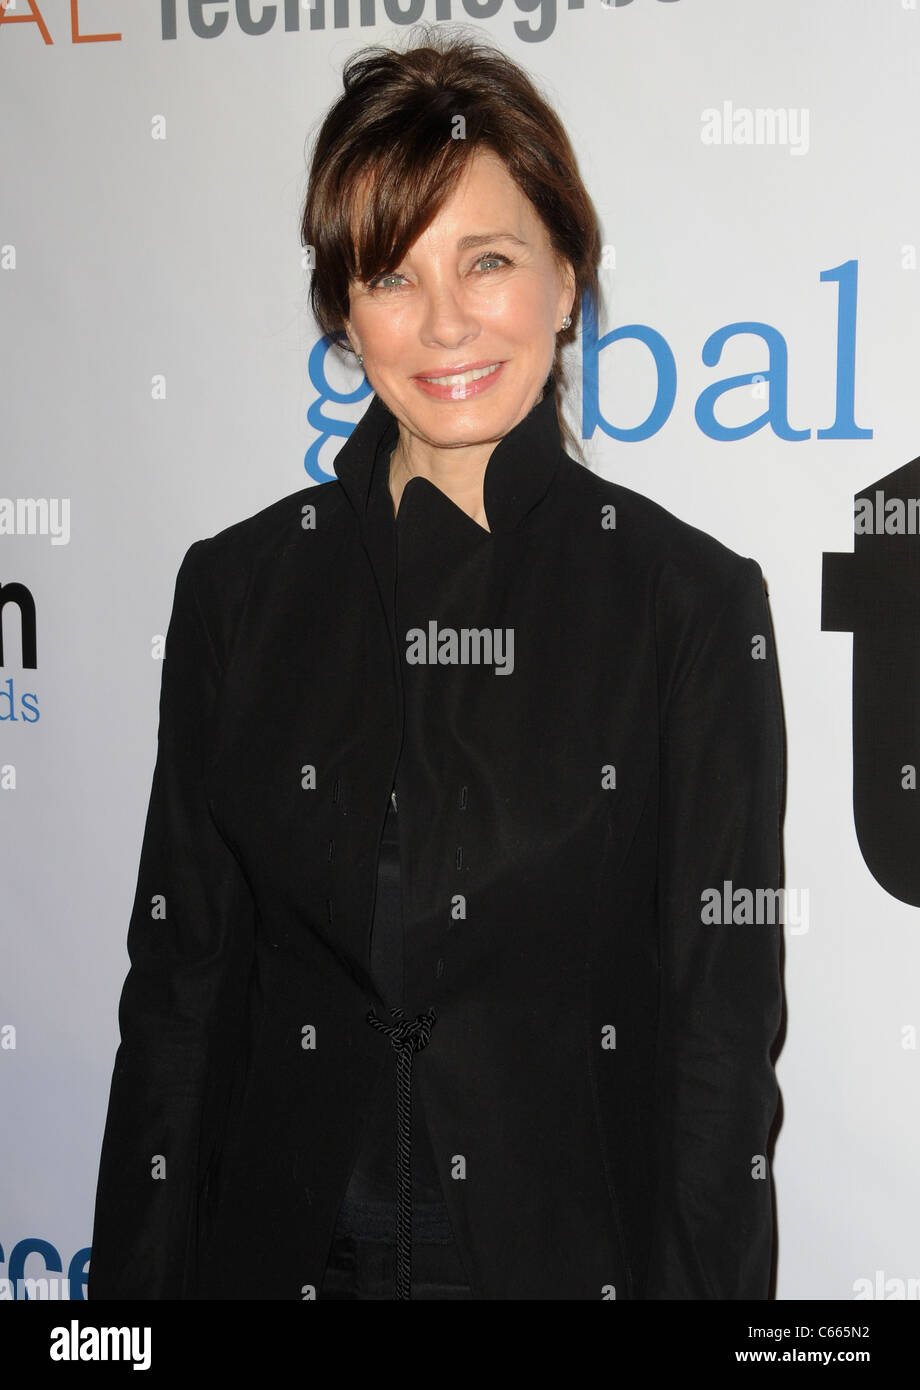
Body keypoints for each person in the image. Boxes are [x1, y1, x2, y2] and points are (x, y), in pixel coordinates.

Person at [88, 25, 786, 1301]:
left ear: (565, 278)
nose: (445, 320)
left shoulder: (684, 605)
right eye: (391, 276)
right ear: (342, 311)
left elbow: (719, 1054)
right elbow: (179, 1001)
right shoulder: (238, 593)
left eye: (488, 260)